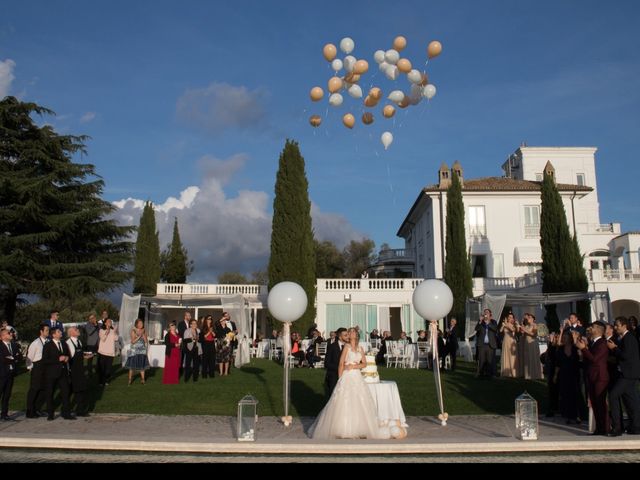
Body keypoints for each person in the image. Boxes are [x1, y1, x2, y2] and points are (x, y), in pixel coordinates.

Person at [309, 327, 389, 440]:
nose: (351, 333)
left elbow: (364, 364)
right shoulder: (346, 347)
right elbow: (341, 363)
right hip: (347, 376)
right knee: (344, 401)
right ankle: (341, 428)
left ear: (356, 335)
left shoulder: (360, 348)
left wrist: (354, 366)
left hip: (356, 375)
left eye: (353, 332)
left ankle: (360, 428)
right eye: (349, 332)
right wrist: (340, 378)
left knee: (359, 401)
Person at [574, 322, 610, 436]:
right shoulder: (593, 343)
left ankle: (605, 428)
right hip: (592, 376)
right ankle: (599, 428)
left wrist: (584, 349)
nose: (589, 329)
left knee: (600, 403)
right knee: (594, 403)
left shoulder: (602, 343)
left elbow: (595, 359)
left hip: (600, 376)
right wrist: (584, 349)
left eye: (592, 327)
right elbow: (588, 360)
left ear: (599, 330)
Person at [606, 316, 640, 436]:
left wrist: (614, 348)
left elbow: (626, 356)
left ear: (624, 326)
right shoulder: (623, 338)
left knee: (613, 395)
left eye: (617, 325)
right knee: (631, 400)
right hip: (626, 373)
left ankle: (617, 427)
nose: (615, 328)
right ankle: (635, 426)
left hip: (628, 374)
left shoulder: (629, 338)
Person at [42, 327, 74, 420]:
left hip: (63, 372)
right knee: (50, 393)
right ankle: (50, 413)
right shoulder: (47, 345)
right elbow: (45, 360)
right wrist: (57, 359)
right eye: (59, 332)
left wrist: (67, 358)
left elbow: (68, 354)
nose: (61, 333)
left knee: (65, 392)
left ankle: (66, 413)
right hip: (51, 374)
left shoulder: (64, 343)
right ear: (54, 334)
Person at [25, 324, 50, 418]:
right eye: (46, 330)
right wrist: (29, 367)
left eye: (48, 330)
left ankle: (37, 409)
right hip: (37, 367)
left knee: (43, 389)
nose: (48, 332)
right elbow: (29, 357)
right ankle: (30, 411)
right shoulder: (35, 343)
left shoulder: (48, 341)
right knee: (34, 389)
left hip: (45, 368)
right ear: (41, 331)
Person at [66, 326, 90, 417]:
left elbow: (79, 354)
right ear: (71, 333)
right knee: (72, 390)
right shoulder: (68, 343)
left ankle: (80, 410)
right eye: (76, 330)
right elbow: (69, 357)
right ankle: (67, 409)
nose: (78, 331)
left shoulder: (79, 341)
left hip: (80, 369)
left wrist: (85, 356)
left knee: (81, 390)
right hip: (73, 370)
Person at [0, 327, 21, 420]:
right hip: (2, 374)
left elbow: (19, 356)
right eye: (9, 333)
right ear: (3, 336)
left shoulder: (14, 345)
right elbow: (3, 359)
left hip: (11, 374)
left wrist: (12, 358)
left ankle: (4, 414)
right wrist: (13, 358)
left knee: (7, 395)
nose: (11, 334)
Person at [125, 319, 150, 385]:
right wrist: (139, 336)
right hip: (134, 350)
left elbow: (145, 341)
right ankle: (130, 379)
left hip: (142, 350)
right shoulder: (133, 331)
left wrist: (143, 334)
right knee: (132, 366)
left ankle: (143, 379)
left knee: (142, 366)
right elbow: (133, 341)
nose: (142, 324)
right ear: (137, 324)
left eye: (142, 323)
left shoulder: (144, 331)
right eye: (140, 323)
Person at [324, 327, 348, 397]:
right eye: (345, 335)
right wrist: (341, 368)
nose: (347, 337)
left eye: (347, 334)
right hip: (334, 375)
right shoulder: (332, 347)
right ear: (340, 337)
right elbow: (327, 363)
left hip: (347, 376)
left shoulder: (349, 346)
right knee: (334, 397)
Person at [475, 309, 498, 378]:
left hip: (490, 344)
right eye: (484, 313)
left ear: (490, 315)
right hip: (482, 344)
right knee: (481, 359)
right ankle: (481, 374)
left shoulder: (493, 322)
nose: (485, 314)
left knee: (489, 360)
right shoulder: (481, 322)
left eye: (487, 313)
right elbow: (476, 329)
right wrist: (480, 321)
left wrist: (488, 323)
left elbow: (495, 329)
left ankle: (489, 374)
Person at [97, 318, 119, 387]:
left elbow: (116, 339)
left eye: (110, 321)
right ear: (105, 323)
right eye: (108, 321)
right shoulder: (101, 330)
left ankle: (106, 380)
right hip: (102, 352)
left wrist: (115, 332)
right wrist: (107, 331)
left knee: (108, 369)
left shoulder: (113, 330)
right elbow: (103, 339)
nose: (110, 322)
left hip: (110, 352)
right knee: (102, 368)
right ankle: (101, 381)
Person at [499, 313, 518, 378]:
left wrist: (506, 324)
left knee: (512, 356)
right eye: (509, 317)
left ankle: (513, 372)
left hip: (512, 341)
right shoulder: (504, 324)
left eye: (512, 317)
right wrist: (503, 325)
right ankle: (506, 372)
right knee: (506, 355)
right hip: (506, 340)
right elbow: (500, 330)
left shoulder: (514, 325)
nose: (510, 318)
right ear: (507, 318)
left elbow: (513, 330)